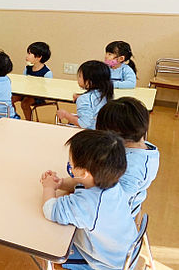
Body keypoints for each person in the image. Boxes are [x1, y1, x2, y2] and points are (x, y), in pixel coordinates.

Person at [41, 130, 137, 270]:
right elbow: (78, 183)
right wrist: (60, 183)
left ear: (84, 173)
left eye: (71, 163)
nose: (69, 165)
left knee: (48, 252)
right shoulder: (110, 183)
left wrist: (48, 187)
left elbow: (50, 210)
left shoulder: (88, 204)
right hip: (122, 251)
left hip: (105, 263)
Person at [96, 97, 160, 218]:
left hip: (118, 219)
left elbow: (114, 205)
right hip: (128, 204)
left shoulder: (131, 168)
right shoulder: (145, 148)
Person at [56, 61, 113, 129]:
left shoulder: (84, 99)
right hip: (104, 131)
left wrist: (66, 115)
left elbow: (83, 124)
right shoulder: (105, 93)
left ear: (89, 82)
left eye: (80, 76)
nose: (78, 78)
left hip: (90, 134)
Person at [12, 42, 53, 120]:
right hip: (26, 92)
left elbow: (46, 89)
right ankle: (13, 116)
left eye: (29, 53)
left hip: (38, 96)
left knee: (24, 104)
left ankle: (29, 121)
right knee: (10, 99)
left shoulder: (47, 73)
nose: (27, 56)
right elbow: (23, 81)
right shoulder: (27, 68)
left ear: (38, 57)